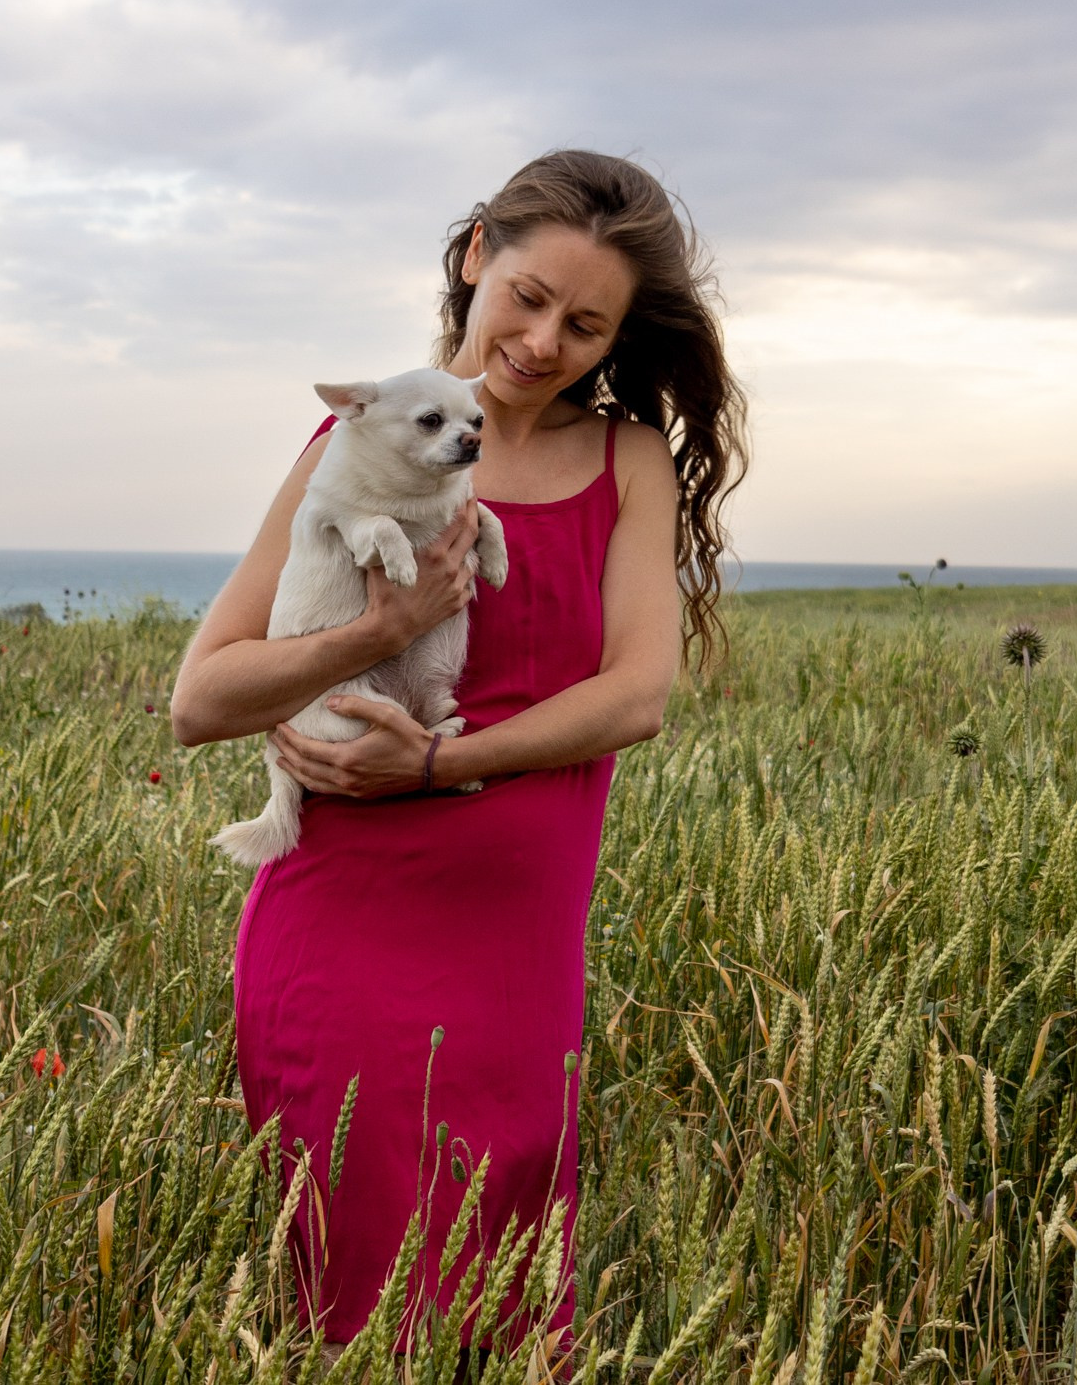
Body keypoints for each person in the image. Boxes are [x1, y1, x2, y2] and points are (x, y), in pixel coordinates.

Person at [170, 151, 746, 1349]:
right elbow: (201, 698)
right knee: (349, 1311)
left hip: (516, 962)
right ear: (479, 252)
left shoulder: (626, 459)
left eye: (585, 325)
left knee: (508, 1310)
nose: (541, 342)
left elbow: (636, 694)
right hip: (339, 933)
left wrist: (438, 764)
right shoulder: (357, 440)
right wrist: (377, 633)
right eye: (528, 296)